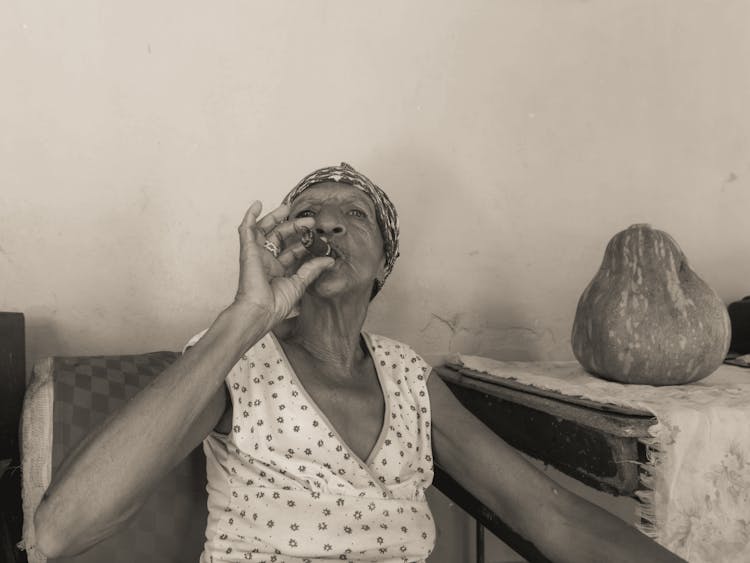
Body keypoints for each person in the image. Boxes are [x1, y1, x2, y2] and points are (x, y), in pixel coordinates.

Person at [34, 163, 685, 562]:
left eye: (354, 213)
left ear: (384, 261)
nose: (330, 225)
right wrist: (244, 316)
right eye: (308, 215)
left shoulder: (408, 375)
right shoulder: (239, 357)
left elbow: (546, 512)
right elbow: (63, 529)